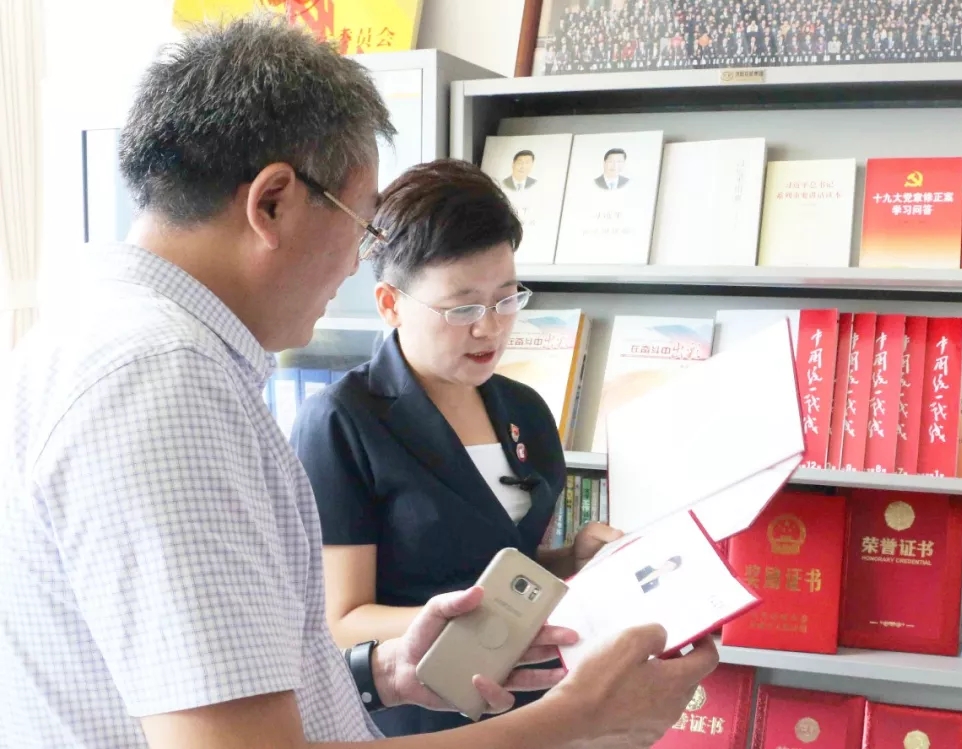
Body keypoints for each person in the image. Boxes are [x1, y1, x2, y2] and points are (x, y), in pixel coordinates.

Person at [0, 14, 719, 749]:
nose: (356, 259)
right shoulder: (164, 385)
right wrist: (579, 715)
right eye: (364, 223)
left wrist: (381, 671)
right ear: (272, 203)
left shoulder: (102, 339)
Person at [290, 158, 621, 737]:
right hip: (415, 714)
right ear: (390, 303)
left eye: (506, 299)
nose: (489, 328)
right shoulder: (341, 422)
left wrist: (570, 559)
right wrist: (484, 622)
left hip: (534, 704)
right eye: (462, 308)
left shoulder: (525, 409)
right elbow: (341, 621)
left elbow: (499, 564)